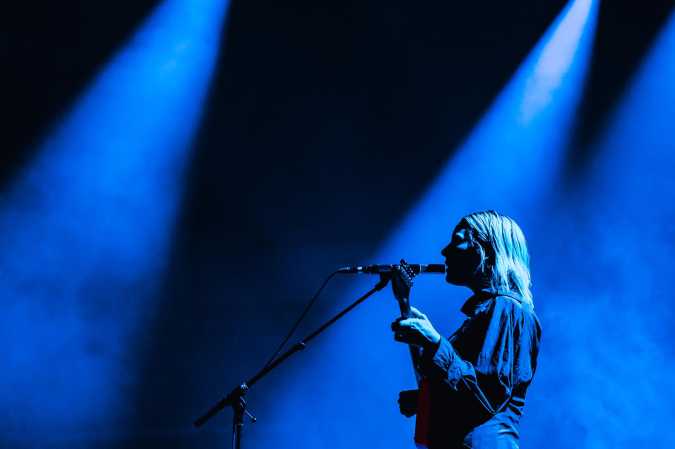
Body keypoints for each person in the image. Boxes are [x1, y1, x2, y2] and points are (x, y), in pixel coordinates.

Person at [389, 210, 542, 449]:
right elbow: (465, 393)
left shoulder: (507, 308)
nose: (445, 251)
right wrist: (428, 400)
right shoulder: (489, 313)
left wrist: (435, 343)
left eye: (457, 240)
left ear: (487, 250)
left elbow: (486, 396)